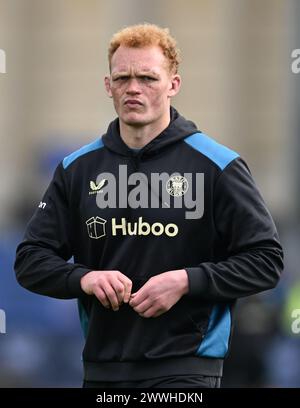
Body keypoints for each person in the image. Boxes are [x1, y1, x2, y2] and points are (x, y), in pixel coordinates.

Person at [14, 23, 284, 388]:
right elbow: (30, 260)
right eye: (122, 78)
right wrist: (85, 278)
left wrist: (187, 280)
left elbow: (266, 261)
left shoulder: (219, 166)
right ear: (108, 86)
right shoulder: (77, 169)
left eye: (147, 77)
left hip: (187, 372)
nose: (133, 89)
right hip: (102, 372)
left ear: (173, 84)